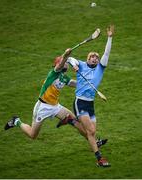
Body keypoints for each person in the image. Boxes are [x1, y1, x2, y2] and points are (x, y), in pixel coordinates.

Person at [58, 25, 114, 167]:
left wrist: (109, 38)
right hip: (80, 103)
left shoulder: (100, 69)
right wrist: (74, 65)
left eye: (96, 57)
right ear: (87, 59)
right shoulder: (81, 65)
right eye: (92, 57)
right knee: (92, 131)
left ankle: (71, 121)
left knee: (90, 134)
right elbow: (70, 59)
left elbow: (106, 54)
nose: (95, 58)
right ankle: (99, 159)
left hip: (90, 104)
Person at [4, 48, 78, 139]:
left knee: (75, 120)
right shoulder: (53, 73)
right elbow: (60, 65)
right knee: (32, 135)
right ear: (58, 64)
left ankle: (94, 141)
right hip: (43, 107)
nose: (66, 63)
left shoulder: (64, 77)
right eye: (64, 62)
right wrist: (66, 55)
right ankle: (16, 121)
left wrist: (87, 83)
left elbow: (74, 83)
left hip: (55, 106)